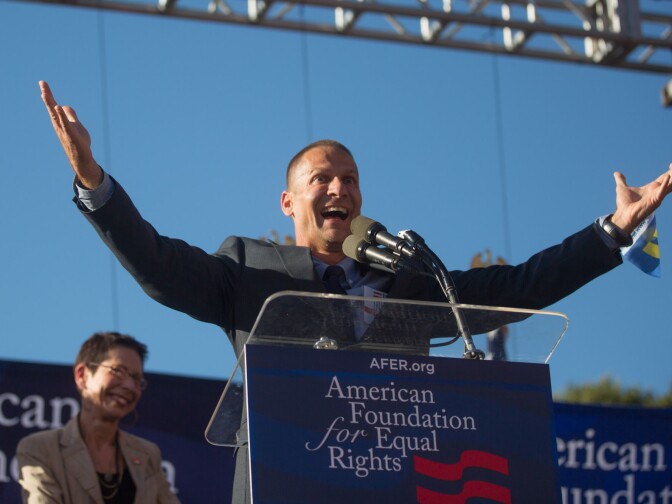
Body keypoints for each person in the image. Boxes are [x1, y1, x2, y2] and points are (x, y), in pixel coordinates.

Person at [38, 80, 672, 503]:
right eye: (323, 178)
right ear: (290, 201)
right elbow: (156, 263)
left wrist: (613, 232)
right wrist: (93, 181)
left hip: (396, 483)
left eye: (351, 178)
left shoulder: (413, 282)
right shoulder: (246, 268)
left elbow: (517, 286)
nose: (339, 188)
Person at [16, 332, 181, 504]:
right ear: (82, 375)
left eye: (137, 379)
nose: (129, 386)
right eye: (118, 371)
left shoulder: (148, 455)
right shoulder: (40, 448)